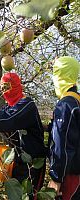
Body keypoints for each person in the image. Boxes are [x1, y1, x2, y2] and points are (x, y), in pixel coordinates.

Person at [47, 56, 80, 200]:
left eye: (56, 72)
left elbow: (63, 145)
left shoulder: (65, 105)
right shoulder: (77, 100)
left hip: (69, 175)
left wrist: (56, 177)